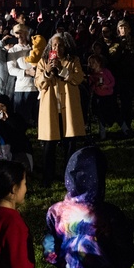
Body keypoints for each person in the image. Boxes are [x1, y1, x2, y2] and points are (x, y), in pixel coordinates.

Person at [35, 33, 85, 186]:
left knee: (69, 144)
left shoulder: (73, 61)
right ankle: (47, 177)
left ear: (65, 46)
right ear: (50, 47)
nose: (57, 48)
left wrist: (62, 70)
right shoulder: (43, 62)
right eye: (54, 45)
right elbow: (38, 83)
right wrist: (47, 72)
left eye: (60, 45)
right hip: (50, 109)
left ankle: (69, 177)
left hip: (68, 109)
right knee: (49, 145)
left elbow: (78, 78)